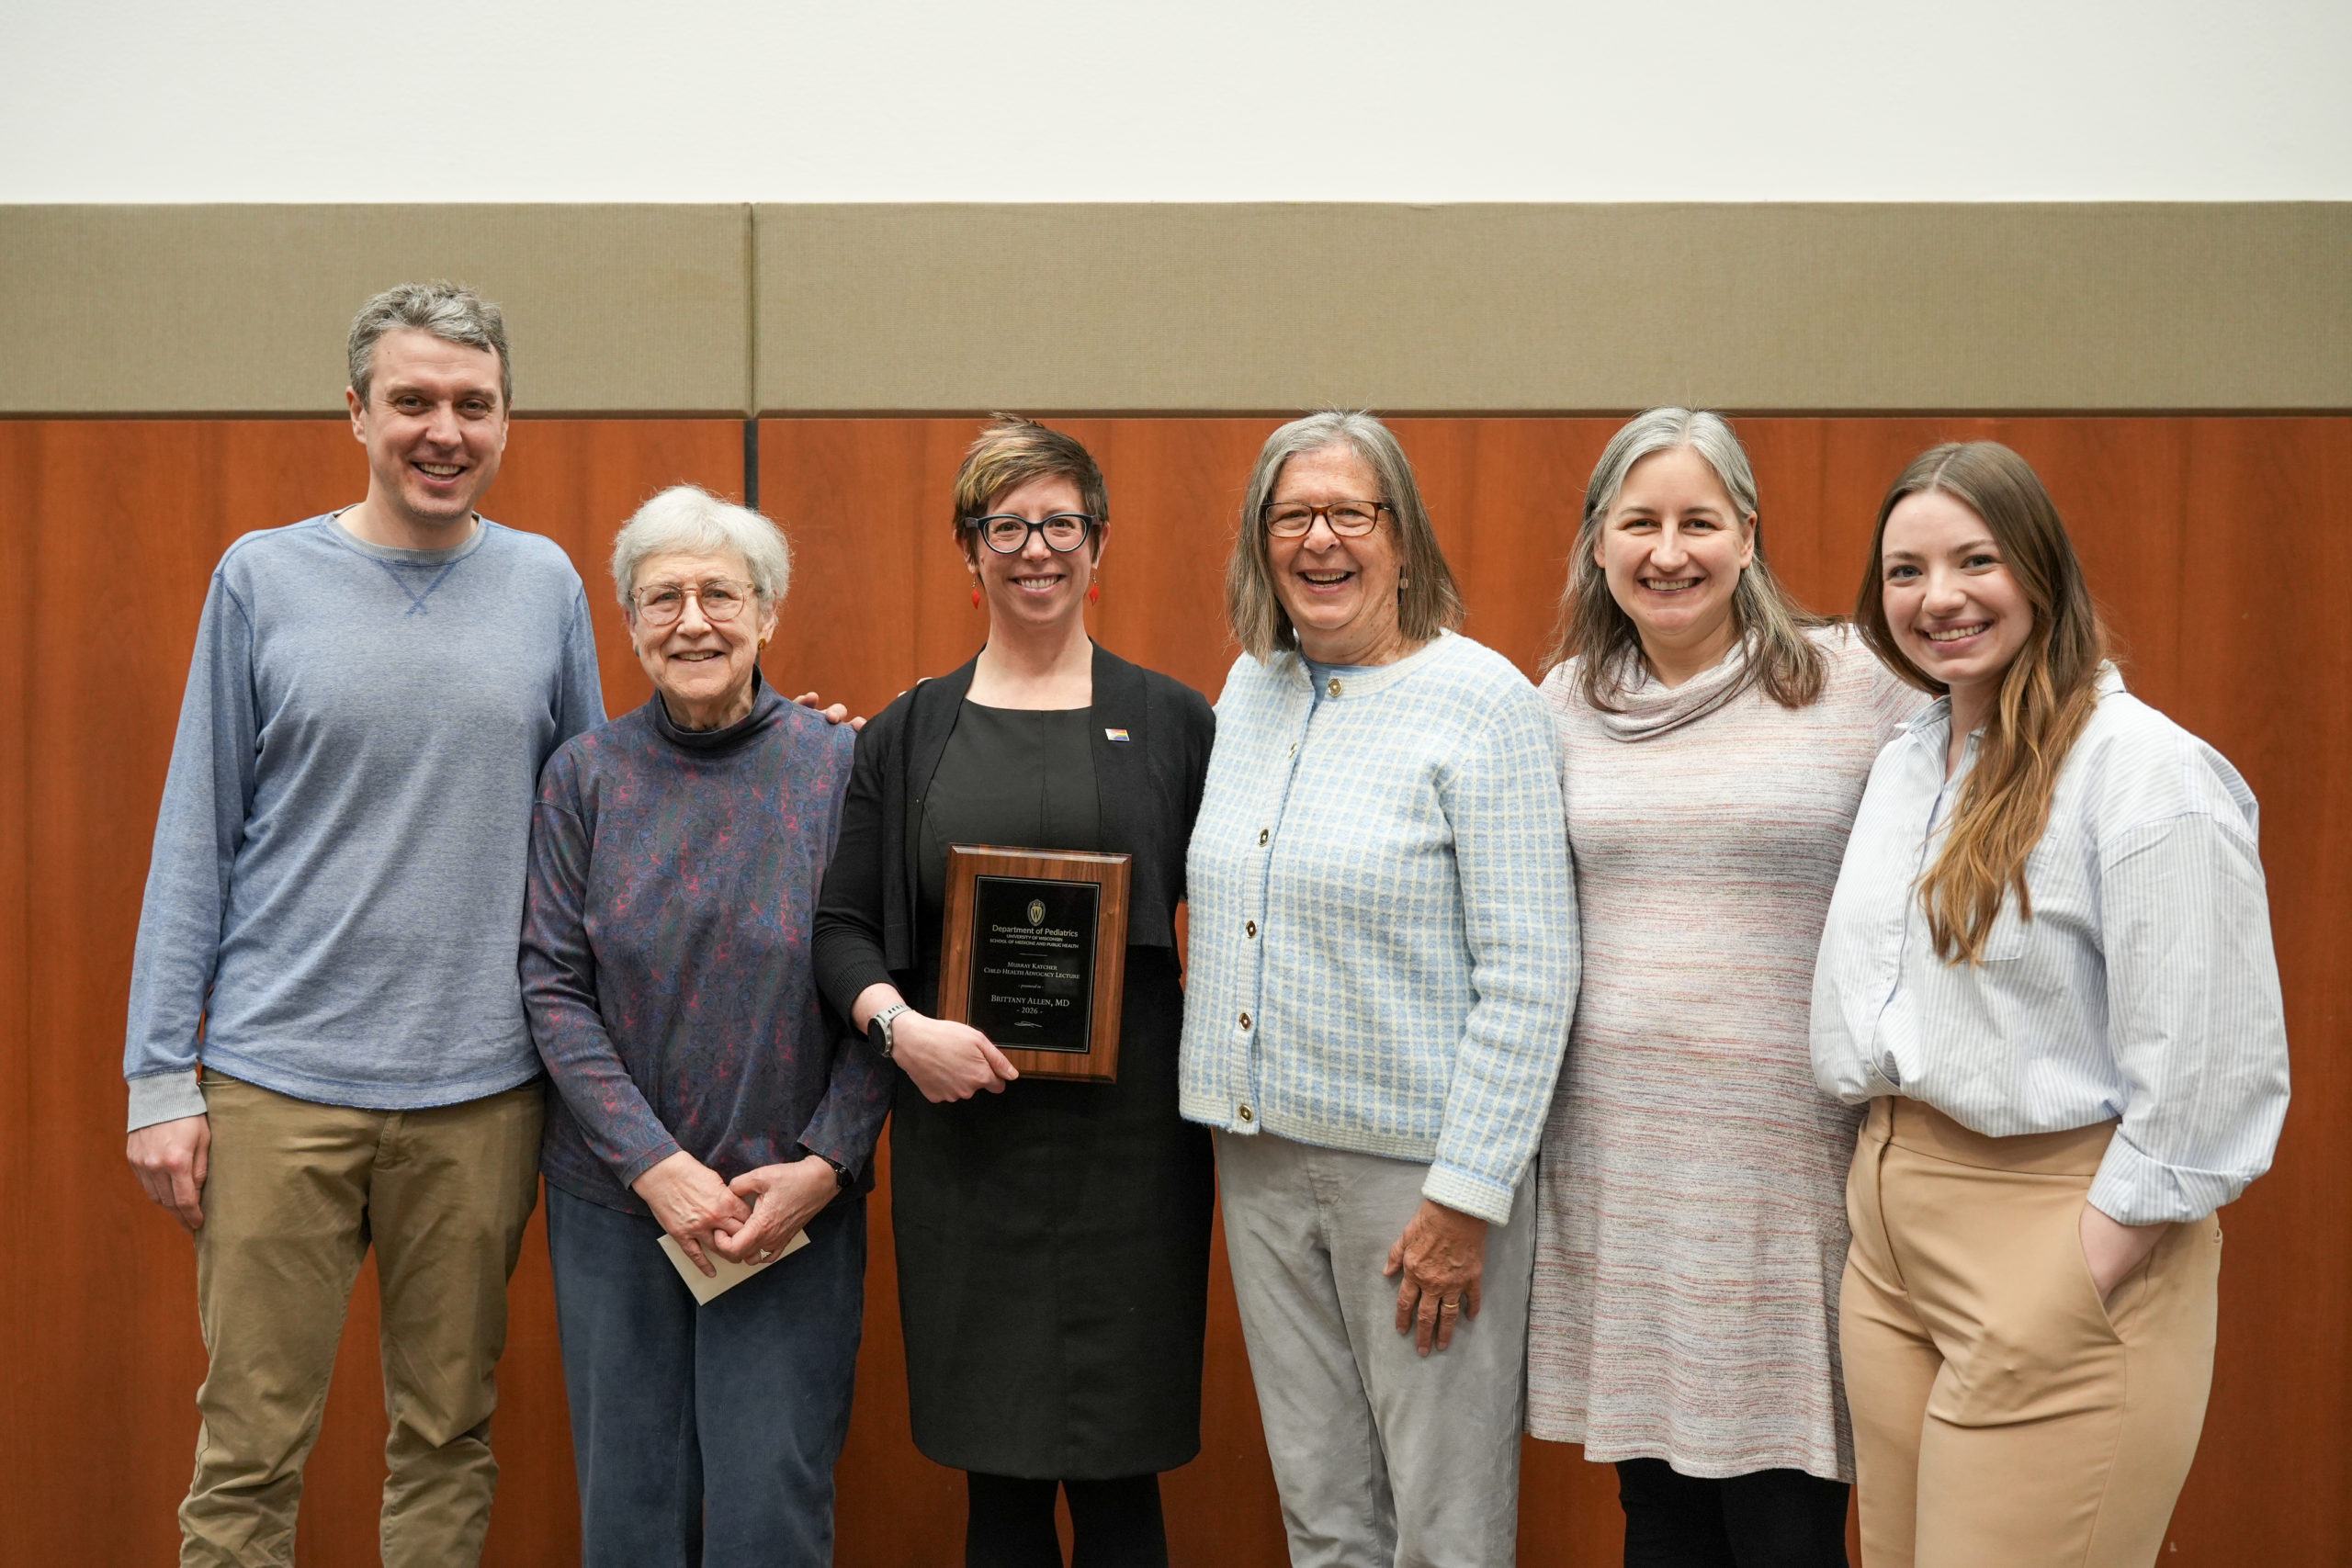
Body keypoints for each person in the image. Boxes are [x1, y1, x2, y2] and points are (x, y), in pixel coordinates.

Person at [120, 282, 602, 1567]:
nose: (443, 429)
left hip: (484, 1091)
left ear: (506, 420)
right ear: (356, 411)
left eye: (473, 404)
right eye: (413, 401)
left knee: (449, 1433)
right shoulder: (262, 576)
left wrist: (779, 742)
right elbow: (193, 836)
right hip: (279, 1083)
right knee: (247, 1449)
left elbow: (596, 819)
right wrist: (160, 1077)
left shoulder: (547, 583)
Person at [1813, 441, 2290, 1568]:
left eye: (1973, 560)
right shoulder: (1907, 759)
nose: (1938, 599)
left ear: (2040, 569)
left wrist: (2075, 1271)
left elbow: (2207, 1080)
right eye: (1904, 571)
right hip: (1885, 1245)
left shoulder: (2147, 775)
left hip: (2057, 1242)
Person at [812, 416, 1216, 1568]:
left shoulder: (1176, 721)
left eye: (1059, 524)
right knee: (997, 1480)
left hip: (1133, 1149)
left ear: (1098, 543)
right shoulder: (908, 732)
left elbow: (1249, 915)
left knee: (1123, 1472)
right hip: (964, 1139)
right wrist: (901, 1032)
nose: (1035, 549)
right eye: (1007, 526)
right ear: (967, 548)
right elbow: (841, 929)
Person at [1181, 411, 1577, 1568]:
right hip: (1257, 1162)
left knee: (1442, 1526)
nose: (1320, 541)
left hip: (1417, 1187)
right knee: (1323, 1511)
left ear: (1402, 537)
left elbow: (1530, 970)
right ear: (1260, 540)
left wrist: (1465, 1198)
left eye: (1350, 513)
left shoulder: (1484, 701)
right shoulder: (1249, 690)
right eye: (1292, 516)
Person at [1525, 409, 1922, 1567]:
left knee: (1786, 1510)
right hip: (1623, 1165)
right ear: (1598, 542)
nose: (1668, 552)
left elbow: (1999, 755)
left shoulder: (1853, 681)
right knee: (1657, 1509)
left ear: (1747, 535)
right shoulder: (1560, 705)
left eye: (1698, 521)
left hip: (1790, 1170)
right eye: (1638, 523)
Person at [520, 485, 887, 1567]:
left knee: (771, 1509)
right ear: (628, 626)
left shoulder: (840, 769)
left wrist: (828, 1163)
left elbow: (886, 985)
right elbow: (551, 985)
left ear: (768, 613)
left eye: (720, 594)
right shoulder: (582, 778)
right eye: (661, 598)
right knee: (630, 1510)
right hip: (615, 1208)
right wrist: (654, 1167)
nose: (693, 620)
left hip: (791, 1210)